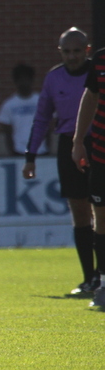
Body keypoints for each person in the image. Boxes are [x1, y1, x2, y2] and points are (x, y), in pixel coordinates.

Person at [23, 28, 97, 294]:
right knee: (79, 211)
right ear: (60, 52)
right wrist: (30, 157)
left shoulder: (97, 74)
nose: (72, 56)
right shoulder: (54, 78)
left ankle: (102, 276)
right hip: (69, 146)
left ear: (86, 50)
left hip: (97, 142)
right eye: (67, 52)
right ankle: (90, 278)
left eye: (77, 51)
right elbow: (42, 118)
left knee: (99, 210)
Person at [72, 44, 105, 309]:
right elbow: (91, 97)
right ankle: (103, 285)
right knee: (101, 219)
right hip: (102, 155)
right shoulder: (100, 60)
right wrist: (77, 141)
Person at [0, 63, 48, 156]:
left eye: (26, 79)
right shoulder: (8, 105)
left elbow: (48, 127)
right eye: (20, 79)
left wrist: (47, 148)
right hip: (19, 152)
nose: (24, 82)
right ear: (15, 81)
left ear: (32, 80)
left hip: (41, 151)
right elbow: (7, 133)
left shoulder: (42, 102)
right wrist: (12, 153)